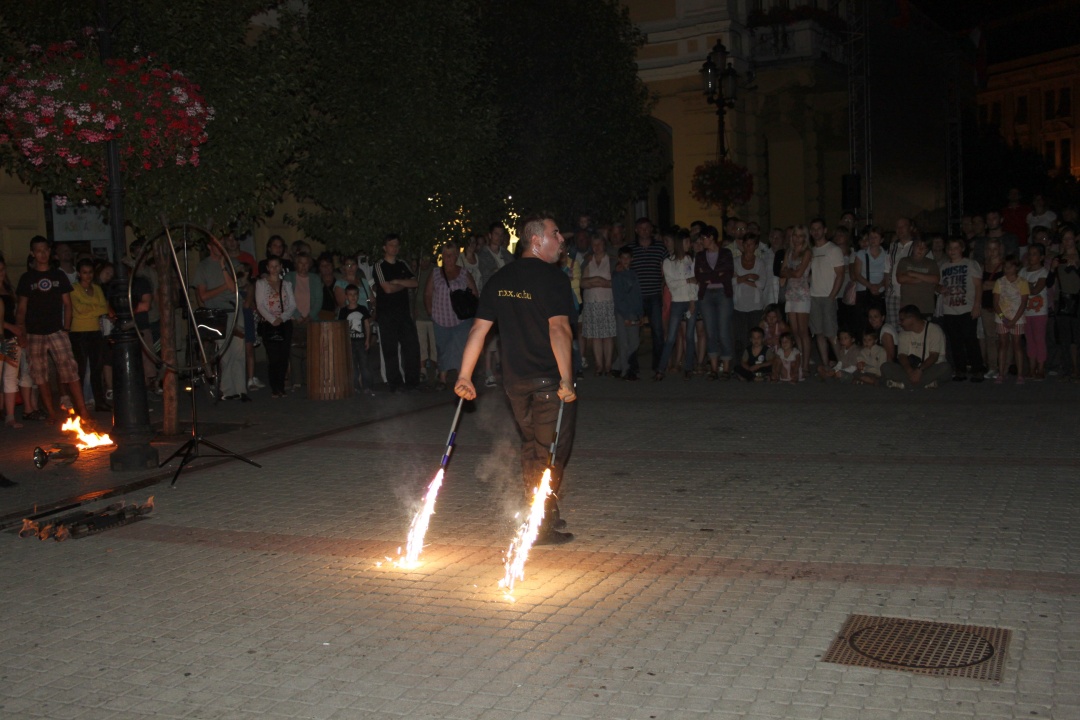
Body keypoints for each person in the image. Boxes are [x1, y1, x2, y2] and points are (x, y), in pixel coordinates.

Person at [455, 212, 577, 545]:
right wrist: (567, 377)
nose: (561, 239)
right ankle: (541, 523)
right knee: (550, 451)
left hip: (515, 382)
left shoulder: (500, 278)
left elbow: (478, 330)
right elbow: (559, 329)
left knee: (533, 446)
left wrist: (465, 375)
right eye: (555, 233)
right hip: (548, 381)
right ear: (536, 240)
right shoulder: (554, 278)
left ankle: (541, 509)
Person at [15, 236, 93, 423]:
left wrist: (66, 327)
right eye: (38, 251)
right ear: (32, 253)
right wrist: (21, 333)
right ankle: (51, 413)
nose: (42, 254)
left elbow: (67, 303)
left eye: (45, 250)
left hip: (57, 330)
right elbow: (22, 308)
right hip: (34, 332)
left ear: (50, 252)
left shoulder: (58, 275)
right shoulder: (27, 278)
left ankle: (83, 412)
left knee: (70, 370)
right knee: (40, 374)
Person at [193, 239, 248, 401]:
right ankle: (228, 390)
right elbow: (203, 295)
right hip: (217, 314)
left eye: (221, 244)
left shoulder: (233, 264)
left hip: (234, 310)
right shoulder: (203, 267)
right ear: (209, 246)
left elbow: (235, 287)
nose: (220, 247)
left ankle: (241, 390)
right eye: (216, 244)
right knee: (224, 352)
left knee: (238, 351)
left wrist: (224, 267)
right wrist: (224, 287)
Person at [425, 242, 477, 391]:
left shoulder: (464, 273)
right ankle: (442, 377)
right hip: (440, 318)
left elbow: (474, 293)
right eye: (445, 255)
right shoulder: (435, 273)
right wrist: (431, 312)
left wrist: (469, 308)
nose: (448, 258)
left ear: (456, 256)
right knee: (443, 348)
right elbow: (428, 294)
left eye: (451, 255)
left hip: (461, 319)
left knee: (461, 348)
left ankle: (462, 378)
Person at [373, 234, 422, 393]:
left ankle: (412, 382)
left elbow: (414, 282)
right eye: (391, 245)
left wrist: (398, 282)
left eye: (396, 245)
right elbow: (387, 289)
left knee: (412, 347)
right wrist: (403, 284)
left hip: (403, 313)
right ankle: (395, 384)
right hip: (387, 314)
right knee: (390, 350)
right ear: (384, 247)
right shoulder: (379, 266)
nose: (394, 248)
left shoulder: (402, 264)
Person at [938, 237, 985, 382]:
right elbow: (938, 285)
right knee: (955, 341)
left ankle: (977, 369)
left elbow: (978, 286)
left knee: (970, 340)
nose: (952, 251)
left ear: (962, 249)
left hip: (967, 308)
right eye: (950, 248)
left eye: (956, 248)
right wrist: (940, 288)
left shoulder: (970, 264)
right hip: (950, 309)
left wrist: (976, 305)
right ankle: (960, 370)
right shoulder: (944, 266)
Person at [626, 217, 668, 377]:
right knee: (634, 332)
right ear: (636, 230)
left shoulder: (660, 247)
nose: (645, 231)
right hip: (636, 297)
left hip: (654, 295)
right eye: (641, 228)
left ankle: (658, 366)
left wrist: (663, 287)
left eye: (647, 228)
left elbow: (666, 269)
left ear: (651, 230)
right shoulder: (630, 248)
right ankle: (632, 366)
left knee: (657, 331)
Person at [68, 258, 111, 412]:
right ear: (79, 273)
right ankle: (79, 403)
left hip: (95, 331)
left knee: (96, 367)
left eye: (90, 272)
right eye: (85, 272)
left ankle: (99, 401)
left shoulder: (97, 288)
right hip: (78, 332)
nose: (88, 276)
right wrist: (95, 308)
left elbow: (104, 308)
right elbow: (79, 309)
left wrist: (90, 308)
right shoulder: (73, 289)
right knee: (80, 368)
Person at [694, 225, 735, 379]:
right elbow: (699, 276)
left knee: (723, 331)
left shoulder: (726, 253)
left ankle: (726, 368)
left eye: (703, 238)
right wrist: (717, 275)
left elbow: (728, 274)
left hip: (723, 294)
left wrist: (709, 276)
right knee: (710, 332)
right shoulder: (700, 256)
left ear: (711, 237)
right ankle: (713, 368)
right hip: (706, 295)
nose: (701, 241)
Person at [477, 222, 514, 387]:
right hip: (490, 301)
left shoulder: (506, 254)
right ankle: (488, 373)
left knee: (505, 338)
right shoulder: (482, 255)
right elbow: (487, 275)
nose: (499, 237)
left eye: (501, 234)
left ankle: (507, 371)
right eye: (496, 234)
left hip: (506, 301)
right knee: (489, 338)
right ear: (490, 235)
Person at [880, 305, 952, 389]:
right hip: (911, 368)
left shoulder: (934, 330)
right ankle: (923, 384)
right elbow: (902, 355)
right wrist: (910, 371)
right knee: (885, 367)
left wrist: (919, 371)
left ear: (912, 318)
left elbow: (934, 356)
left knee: (945, 368)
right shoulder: (904, 333)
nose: (900, 323)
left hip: (929, 367)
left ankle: (905, 384)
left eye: (902, 320)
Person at [254, 257, 296, 398]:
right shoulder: (261, 284)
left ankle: (281, 386)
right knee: (273, 357)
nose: (274, 269)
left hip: (285, 322)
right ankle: (274, 387)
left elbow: (292, 304)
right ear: (267, 268)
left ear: (281, 267)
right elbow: (260, 305)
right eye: (271, 266)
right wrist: (272, 319)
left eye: (276, 266)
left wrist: (282, 318)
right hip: (269, 324)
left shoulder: (287, 284)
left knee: (284, 356)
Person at [657, 233, 697, 380]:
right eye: (687, 242)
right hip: (677, 301)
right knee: (671, 337)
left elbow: (694, 283)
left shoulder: (689, 260)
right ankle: (661, 369)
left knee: (689, 336)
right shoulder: (668, 262)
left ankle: (688, 368)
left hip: (690, 300)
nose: (689, 245)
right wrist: (687, 280)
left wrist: (692, 300)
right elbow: (671, 284)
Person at [807, 218, 844, 370]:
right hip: (814, 297)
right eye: (813, 229)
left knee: (831, 333)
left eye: (819, 228)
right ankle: (825, 363)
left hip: (828, 296)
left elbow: (840, 274)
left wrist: (832, 296)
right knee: (819, 333)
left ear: (825, 230)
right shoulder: (811, 251)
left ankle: (842, 363)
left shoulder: (833, 250)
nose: (816, 232)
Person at [284, 252, 323, 391]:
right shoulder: (289, 277)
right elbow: (287, 298)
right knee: (294, 351)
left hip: (311, 320)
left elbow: (318, 300)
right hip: (294, 319)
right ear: (296, 264)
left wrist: (310, 316)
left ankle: (310, 380)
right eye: (300, 263)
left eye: (306, 263)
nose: (303, 266)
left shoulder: (315, 278)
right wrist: (297, 315)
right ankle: (297, 381)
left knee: (310, 351)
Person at [579, 235, 616, 377]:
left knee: (608, 335)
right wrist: (600, 280)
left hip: (607, 301)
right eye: (594, 245)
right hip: (591, 302)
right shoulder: (588, 261)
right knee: (595, 336)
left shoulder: (611, 261)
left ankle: (608, 365)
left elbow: (614, 283)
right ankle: (599, 366)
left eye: (599, 244)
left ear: (604, 245)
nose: (597, 247)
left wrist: (595, 282)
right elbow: (583, 283)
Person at [780, 225, 812, 377]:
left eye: (800, 236)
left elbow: (799, 274)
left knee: (803, 331)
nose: (797, 238)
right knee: (795, 331)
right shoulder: (789, 252)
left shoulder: (807, 252)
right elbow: (782, 271)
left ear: (805, 238)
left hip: (802, 293)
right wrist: (790, 272)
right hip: (791, 293)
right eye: (795, 235)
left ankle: (805, 364)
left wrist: (789, 271)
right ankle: (799, 360)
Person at [993, 255, 1029, 384]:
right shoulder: (999, 282)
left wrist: (1014, 320)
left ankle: (1020, 374)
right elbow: (995, 303)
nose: (1007, 269)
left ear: (1016, 267)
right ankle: (1001, 373)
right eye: (1005, 266)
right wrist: (1003, 318)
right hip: (1002, 318)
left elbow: (1023, 303)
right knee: (1003, 344)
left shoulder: (1022, 282)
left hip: (1017, 318)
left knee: (1017, 344)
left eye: (1010, 266)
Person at [733, 234, 768, 364]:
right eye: (746, 244)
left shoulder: (760, 263)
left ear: (756, 246)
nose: (748, 247)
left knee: (756, 337)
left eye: (751, 244)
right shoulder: (735, 261)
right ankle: (741, 364)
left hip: (755, 306)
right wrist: (749, 276)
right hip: (739, 306)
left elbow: (761, 284)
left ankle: (755, 362)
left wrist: (741, 279)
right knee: (741, 337)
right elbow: (731, 281)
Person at [1050, 227, 1080, 378]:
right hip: (1063, 300)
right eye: (1065, 239)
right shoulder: (1058, 259)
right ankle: (1068, 369)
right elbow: (1049, 283)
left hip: (1078, 299)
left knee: (1077, 337)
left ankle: (1077, 369)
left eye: (1070, 238)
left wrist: (1077, 267)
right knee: (1064, 338)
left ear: (1075, 239)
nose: (1068, 242)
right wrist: (1052, 269)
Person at [612, 248, 643, 380]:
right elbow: (618, 297)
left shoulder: (633, 274)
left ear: (631, 259)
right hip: (622, 312)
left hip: (633, 312)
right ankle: (625, 371)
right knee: (623, 343)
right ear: (619, 259)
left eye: (627, 258)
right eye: (623, 258)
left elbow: (638, 295)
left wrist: (640, 313)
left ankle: (616, 366)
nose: (625, 260)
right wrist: (624, 316)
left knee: (634, 342)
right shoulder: (617, 275)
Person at [338, 284, 374, 395]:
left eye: (355, 294)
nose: (353, 297)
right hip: (350, 343)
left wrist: (367, 340)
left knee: (364, 365)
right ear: (346, 296)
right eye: (350, 294)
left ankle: (367, 386)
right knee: (352, 366)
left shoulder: (362, 309)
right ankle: (355, 387)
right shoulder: (343, 311)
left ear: (358, 296)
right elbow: (341, 327)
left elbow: (367, 325)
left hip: (361, 341)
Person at [1020, 244, 1049, 380]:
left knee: (1039, 340)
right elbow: (1018, 288)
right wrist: (1029, 286)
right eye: (1029, 254)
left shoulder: (1043, 272)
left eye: (1034, 254)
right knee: (1029, 340)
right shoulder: (1023, 272)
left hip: (1039, 312)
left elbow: (1036, 290)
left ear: (1041, 257)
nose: (1031, 257)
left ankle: (1041, 368)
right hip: (1026, 312)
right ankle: (1032, 368)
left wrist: (1027, 286)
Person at [894, 236, 939, 318]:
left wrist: (913, 273)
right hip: (907, 306)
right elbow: (900, 278)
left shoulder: (931, 263)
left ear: (927, 250)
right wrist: (924, 279)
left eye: (924, 247)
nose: (920, 249)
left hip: (926, 307)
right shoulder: (904, 261)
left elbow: (935, 279)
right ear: (913, 247)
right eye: (918, 246)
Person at [883, 217, 916, 325]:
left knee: (909, 326)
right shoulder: (892, 247)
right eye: (897, 227)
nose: (900, 229)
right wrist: (887, 291)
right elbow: (887, 270)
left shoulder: (918, 246)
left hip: (910, 294)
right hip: (893, 295)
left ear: (910, 228)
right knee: (893, 327)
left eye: (903, 226)